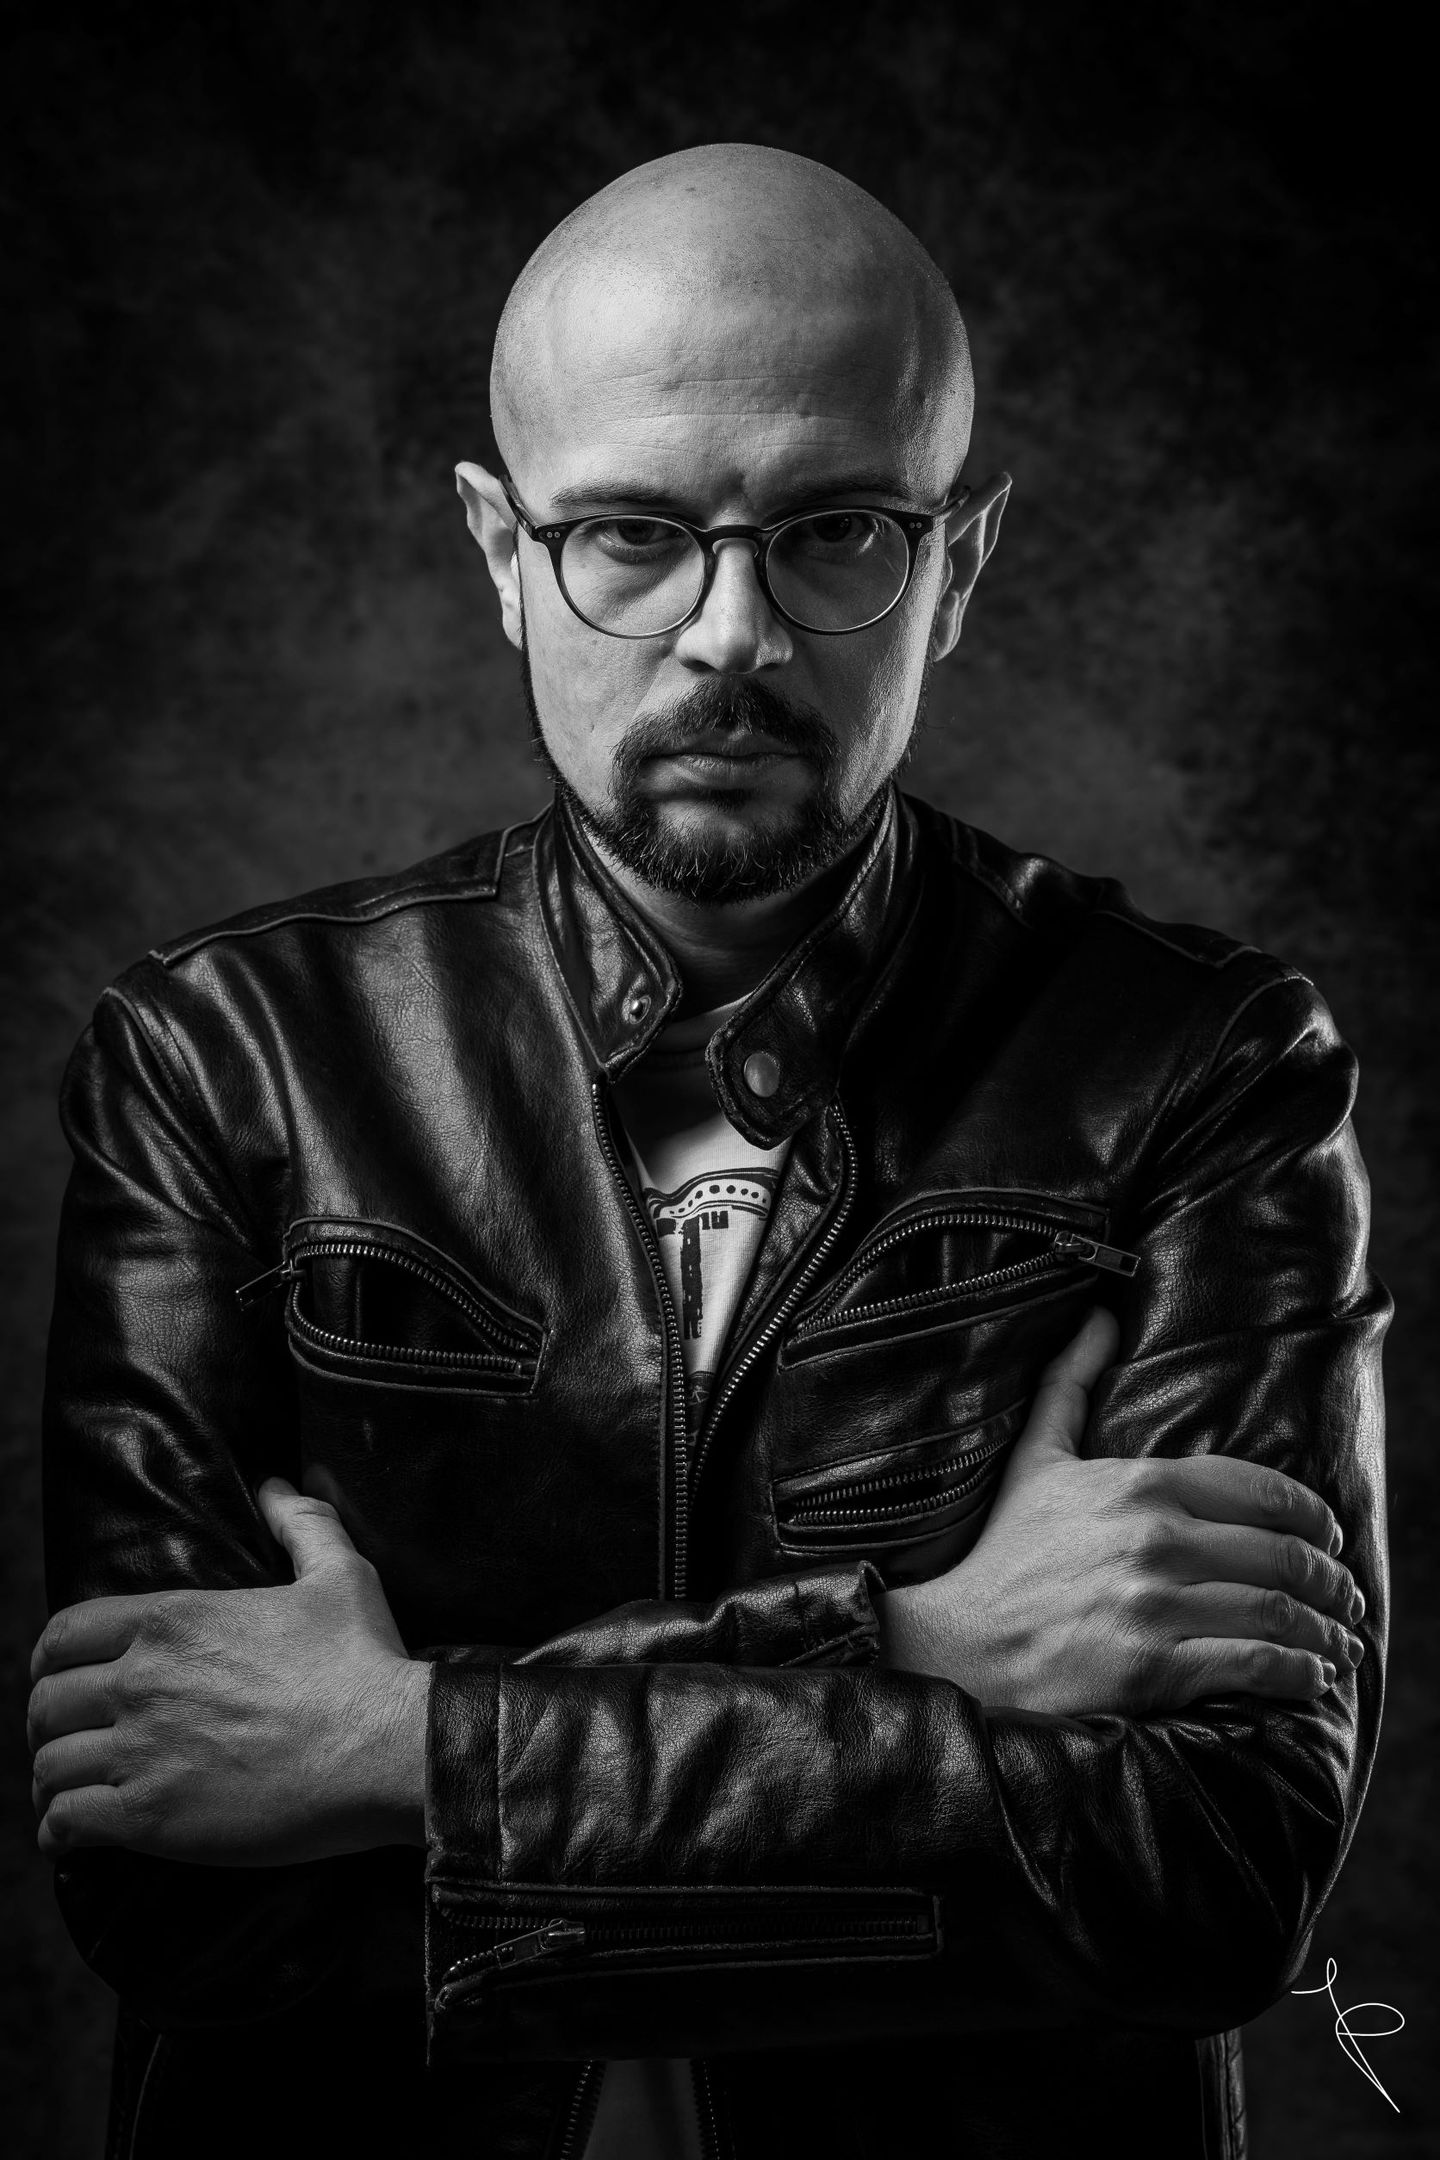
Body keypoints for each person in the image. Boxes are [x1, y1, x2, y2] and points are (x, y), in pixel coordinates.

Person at [29, 145, 1387, 2160]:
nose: (730, 633)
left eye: (835, 529)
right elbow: (173, 1878)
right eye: (631, 536)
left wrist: (403, 1750)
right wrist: (910, 1647)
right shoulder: (224, 1055)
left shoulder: (1204, 1065)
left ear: (960, 561)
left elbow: (1211, 1873)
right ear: (502, 549)